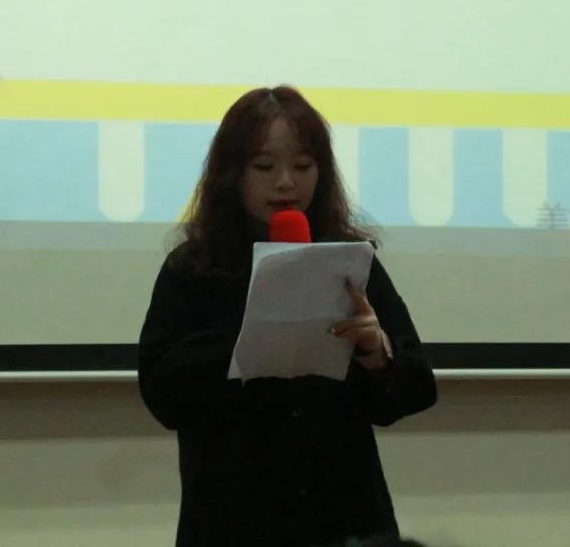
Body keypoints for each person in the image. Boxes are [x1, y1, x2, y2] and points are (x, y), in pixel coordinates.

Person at [138, 85, 438, 547]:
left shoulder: (349, 260)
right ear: (233, 174)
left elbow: (416, 389)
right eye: (264, 167)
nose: (285, 183)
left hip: (346, 515)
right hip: (232, 518)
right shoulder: (195, 269)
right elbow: (162, 394)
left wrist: (376, 353)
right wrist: (249, 337)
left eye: (303, 166)